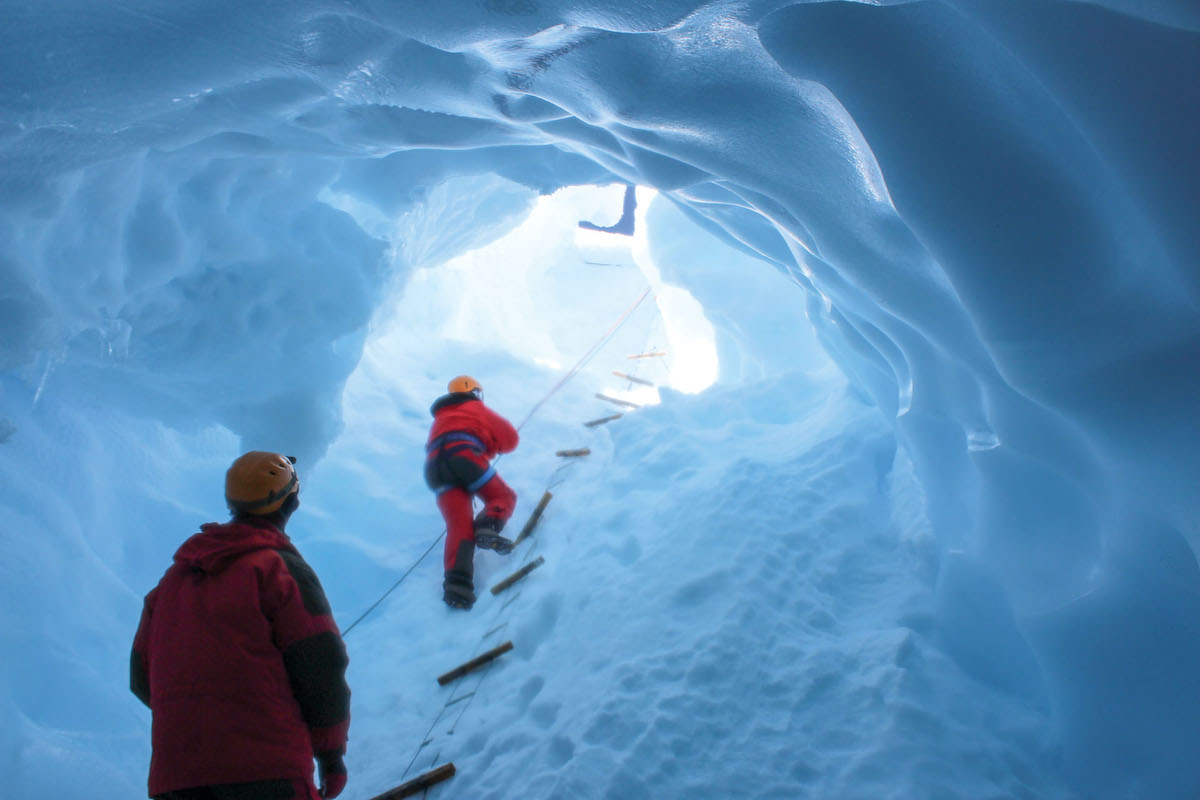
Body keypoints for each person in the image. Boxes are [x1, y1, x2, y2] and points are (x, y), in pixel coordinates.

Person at [130, 451, 351, 800]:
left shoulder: (170, 582)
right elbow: (322, 664)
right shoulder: (277, 569)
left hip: (175, 779)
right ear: (292, 502)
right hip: (268, 773)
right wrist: (331, 755)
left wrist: (199, 718)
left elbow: (142, 677)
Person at [425, 375, 520, 609]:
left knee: (459, 526)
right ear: (474, 392)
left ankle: (457, 587)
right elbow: (509, 438)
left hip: (435, 469)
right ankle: (488, 526)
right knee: (503, 496)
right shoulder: (474, 406)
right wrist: (493, 446)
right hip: (464, 457)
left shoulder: (441, 417)